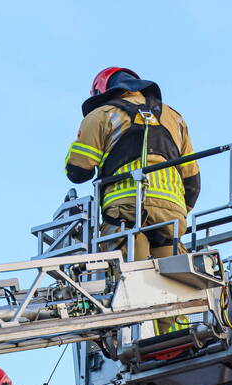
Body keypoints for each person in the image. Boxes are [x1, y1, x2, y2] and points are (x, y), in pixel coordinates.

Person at [65, 67, 201, 334]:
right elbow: (193, 182)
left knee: (128, 275)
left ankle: (131, 338)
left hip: (127, 208)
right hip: (172, 215)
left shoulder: (101, 115)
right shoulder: (175, 118)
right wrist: (177, 212)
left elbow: (78, 170)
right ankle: (177, 339)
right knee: (172, 278)